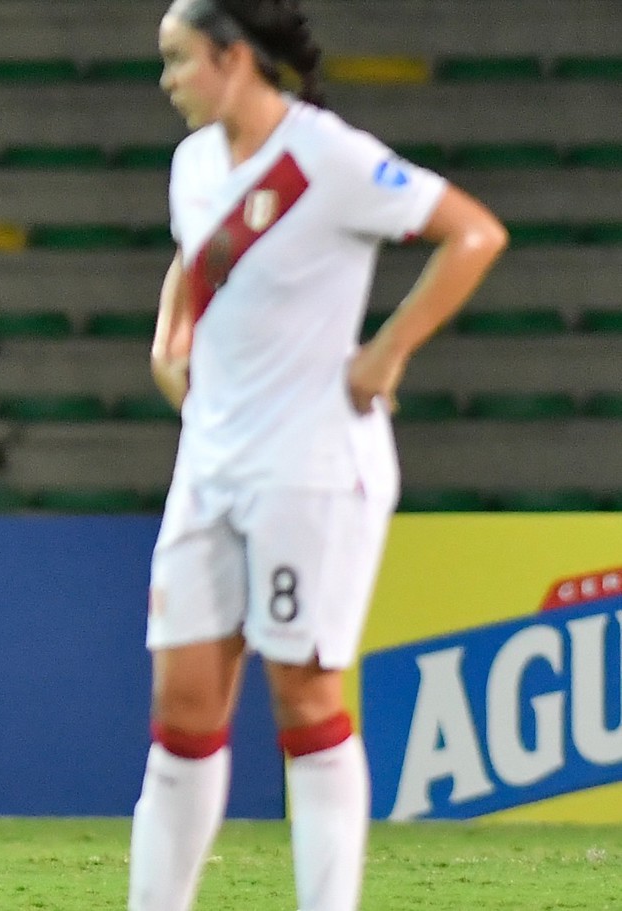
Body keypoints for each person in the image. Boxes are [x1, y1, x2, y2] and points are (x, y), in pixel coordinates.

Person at [130, 2, 506, 909]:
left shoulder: (330, 156)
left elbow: (473, 233)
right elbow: (195, 257)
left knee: (304, 698)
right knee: (182, 709)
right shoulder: (191, 163)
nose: (167, 81)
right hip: (211, 460)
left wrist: (387, 352)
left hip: (312, 464)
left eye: (179, 61)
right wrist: (168, 337)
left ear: (233, 57)